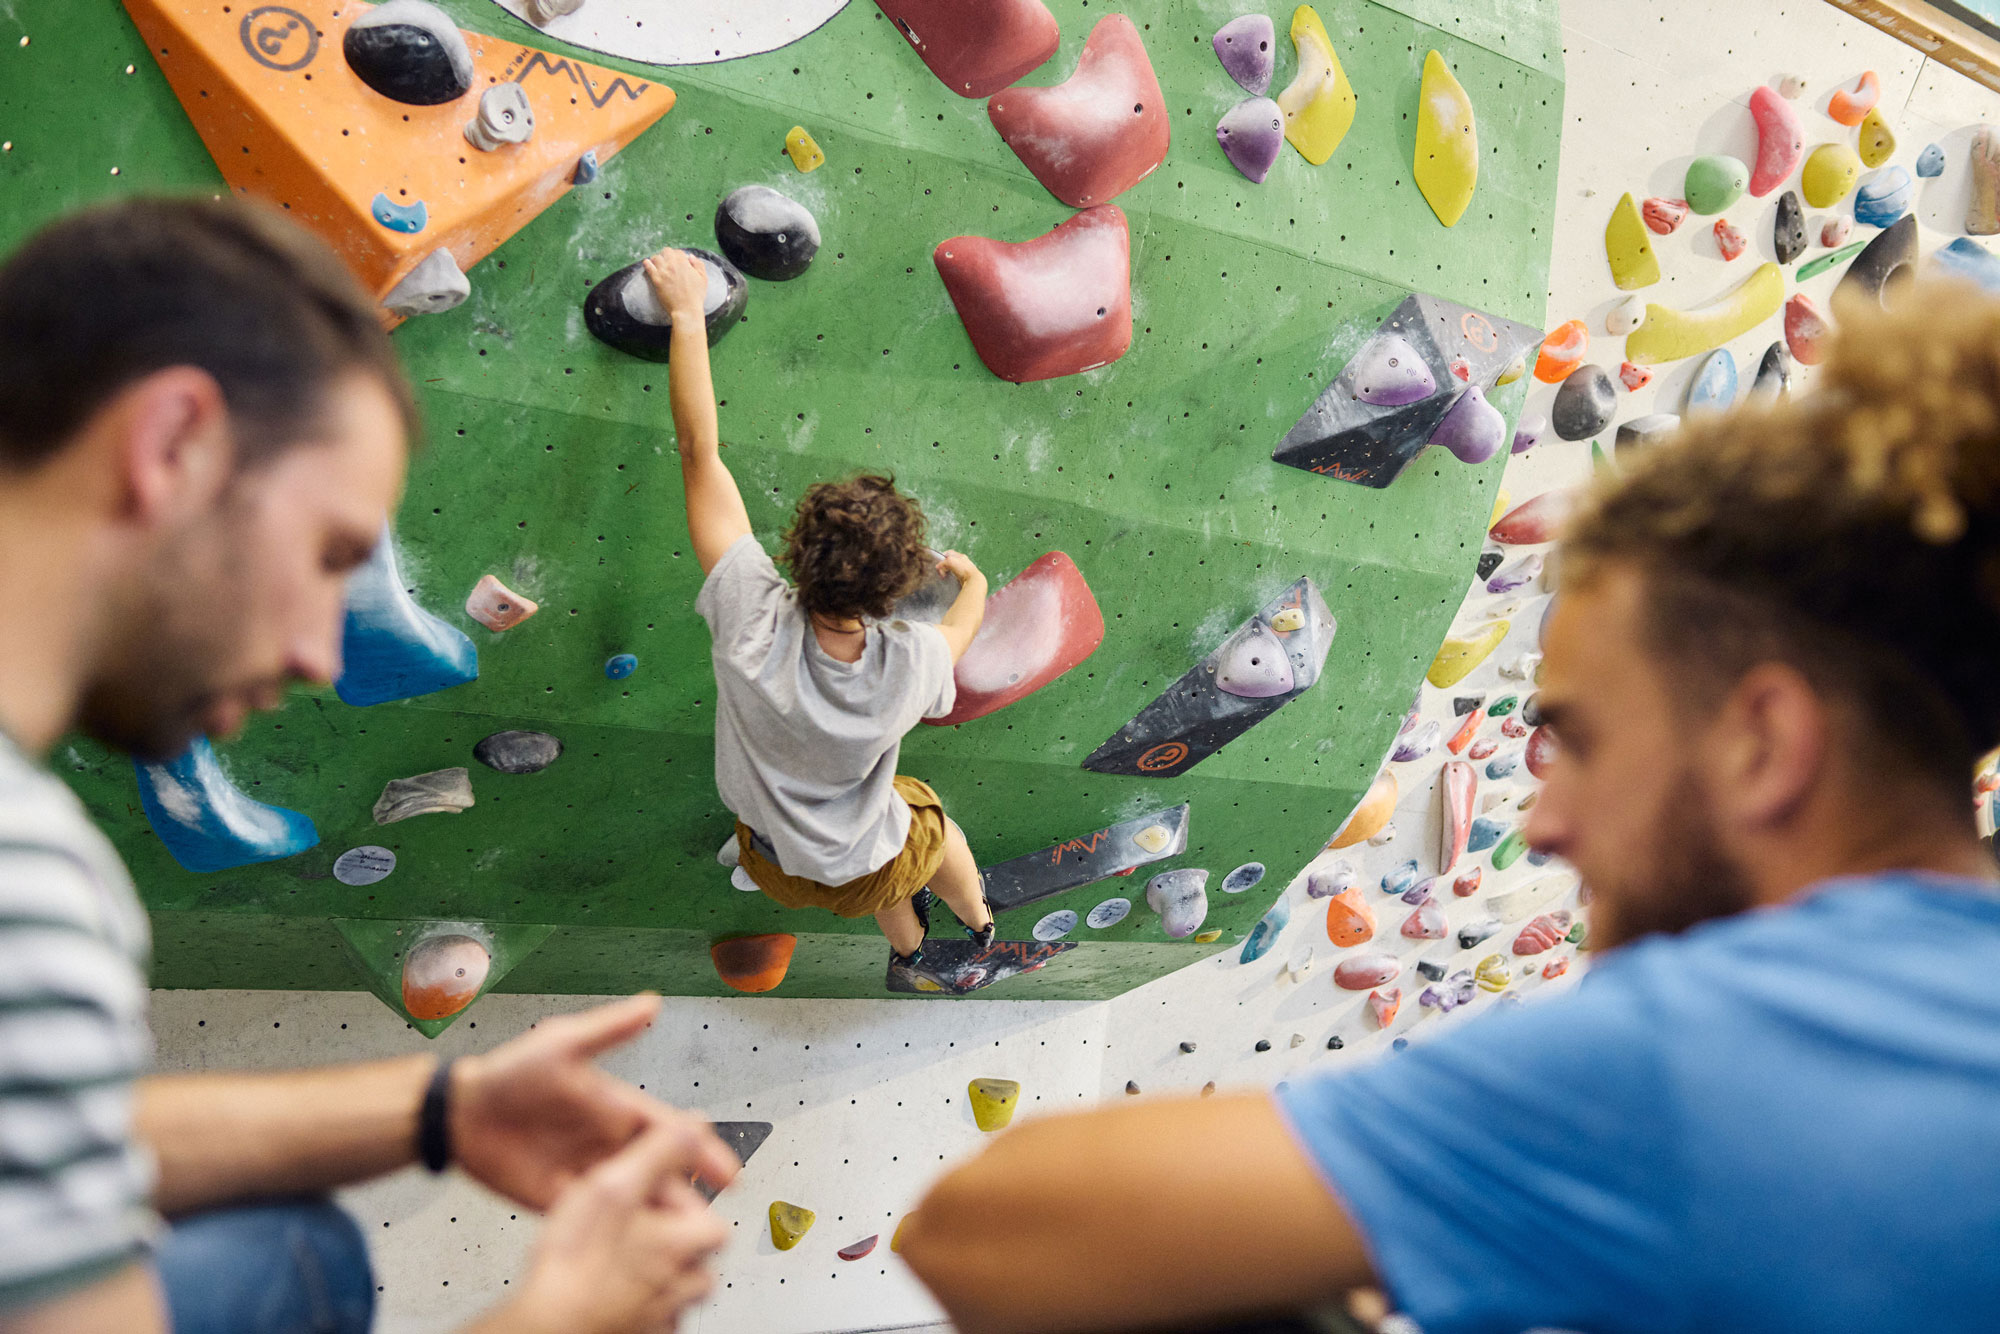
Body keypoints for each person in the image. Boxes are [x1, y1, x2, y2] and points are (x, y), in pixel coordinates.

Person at [898, 280, 2000, 1334]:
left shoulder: (1749, 1053)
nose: (1553, 822)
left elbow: (990, 1229)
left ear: (1762, 743)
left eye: (1581, 739)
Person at [0, 198, 738, 1334]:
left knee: (291, 1246)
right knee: (306, 1263)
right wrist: (565, 1316)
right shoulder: (30, 887)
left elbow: (43, 1141)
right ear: (167, 446)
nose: (311, 651)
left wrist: (439, 1108)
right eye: (332, 555)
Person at [644, 247, 997, 978]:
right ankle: (980, 923)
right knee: (926, 833)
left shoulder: (748, 615)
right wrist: (976, 582)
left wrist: (685, 314)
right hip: (856, 862)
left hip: (771, 859)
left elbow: (697, 453)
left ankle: (911, 948)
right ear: (892, 595)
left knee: (875, 859)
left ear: (796, 552)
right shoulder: (911, 661)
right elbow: (960, 628)